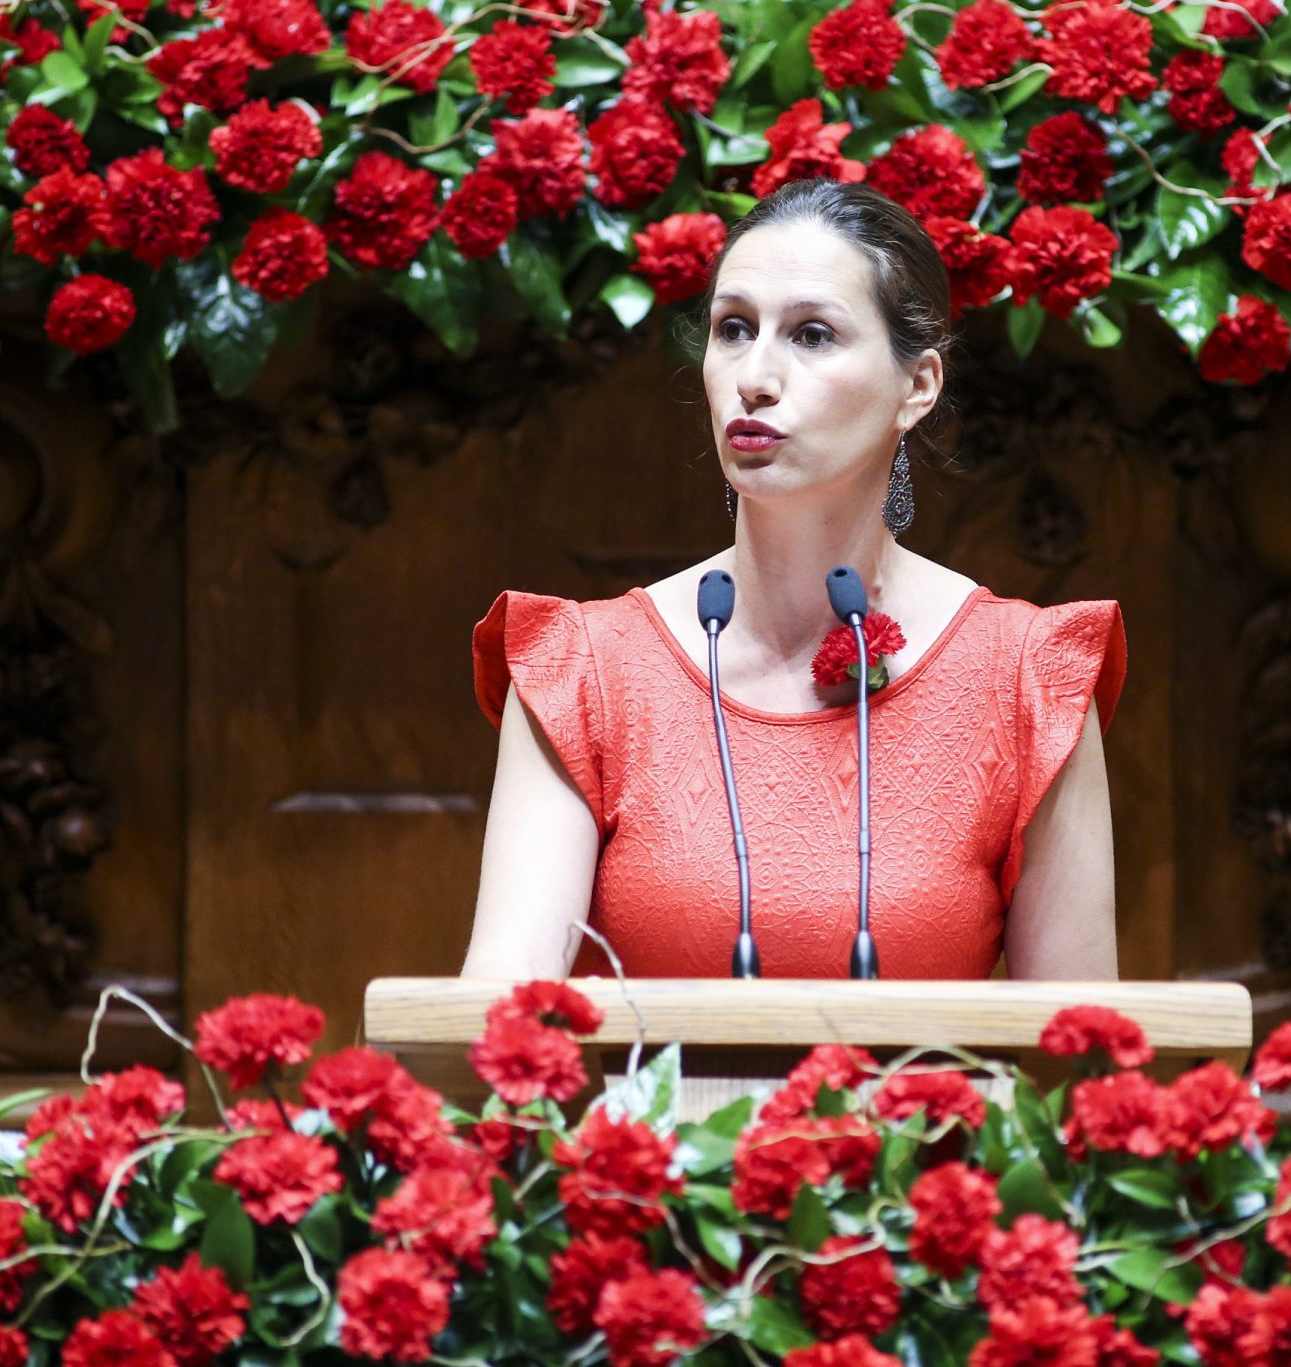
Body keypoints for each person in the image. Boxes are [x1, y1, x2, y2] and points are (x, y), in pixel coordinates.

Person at [463, 178, 1126, 982]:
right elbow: (499, 1018)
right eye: (733, 329)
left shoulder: (1029, 676)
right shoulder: (583, 670)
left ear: (916, 386)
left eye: (812, 335)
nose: (755, 376)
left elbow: (1079, 1049)